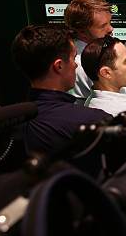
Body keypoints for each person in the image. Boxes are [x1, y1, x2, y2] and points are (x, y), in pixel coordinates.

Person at [11, 24, 110, 157]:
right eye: (74, 58)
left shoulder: (11, 122)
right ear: (59, 66)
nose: (75, 65)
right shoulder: (93, 120)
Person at [64, 0, 114, 104]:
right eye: (103, 26)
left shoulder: (100, 48)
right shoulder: (80, 65)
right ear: (82, 31)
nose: (111, 29)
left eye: (110, 22)